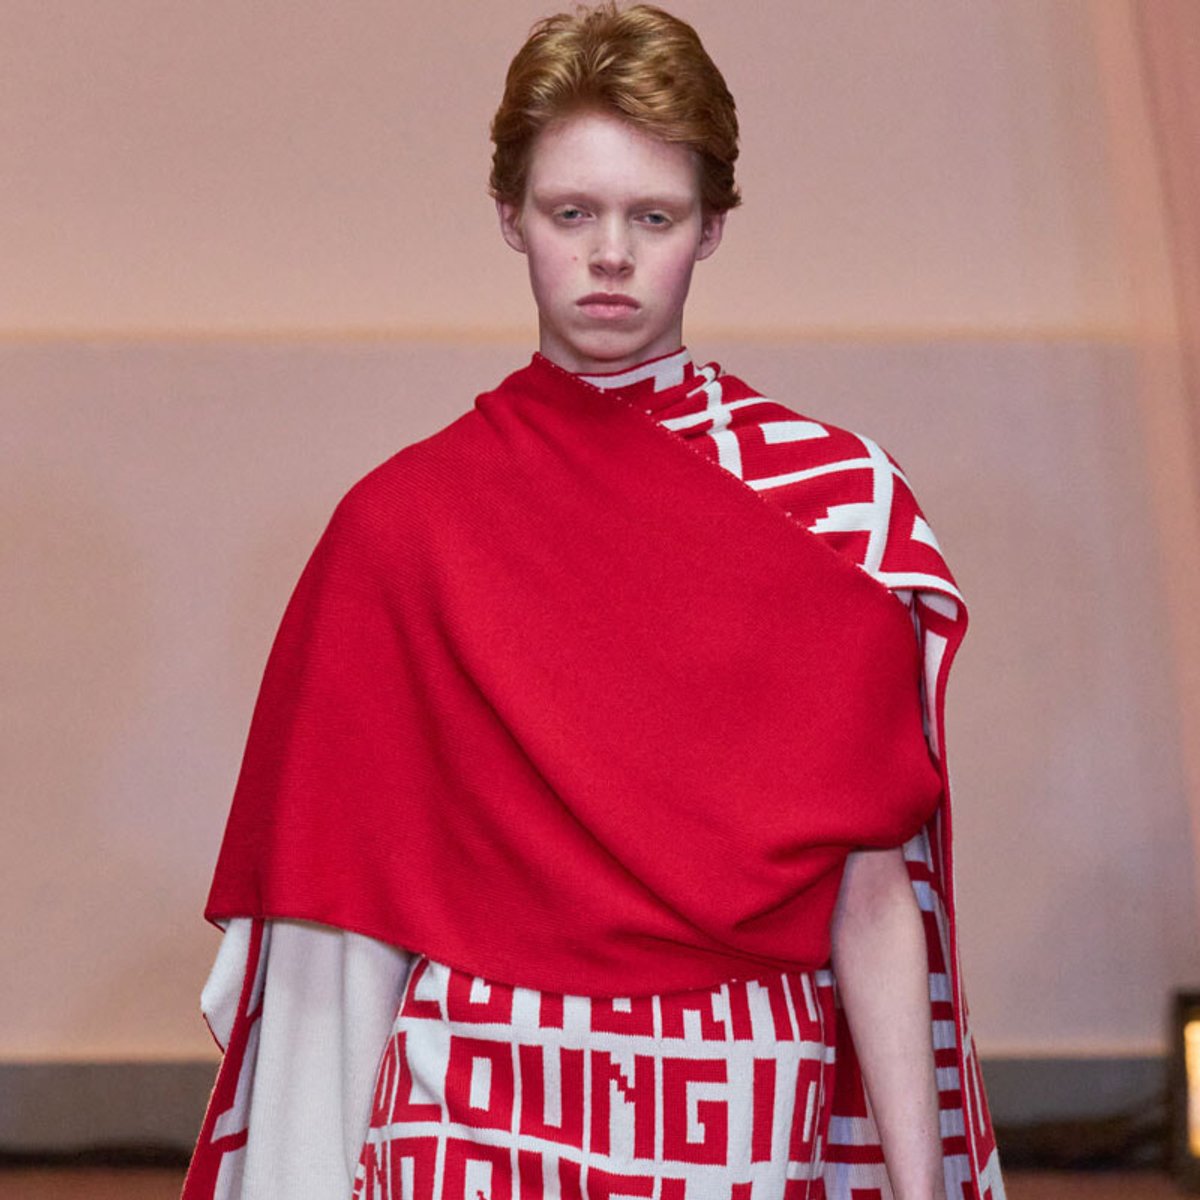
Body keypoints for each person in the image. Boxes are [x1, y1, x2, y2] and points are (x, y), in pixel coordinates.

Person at [182, 5, 1006, 1199]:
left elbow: (874, 896)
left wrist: (920, 1193)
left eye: (653, 217)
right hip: (466, 1097)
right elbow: (332, 917)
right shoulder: (403, 529)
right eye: (573, 212)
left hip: (739, 1102)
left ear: (712, 228)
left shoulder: (839, 508)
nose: (609, 255)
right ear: (510, 217)